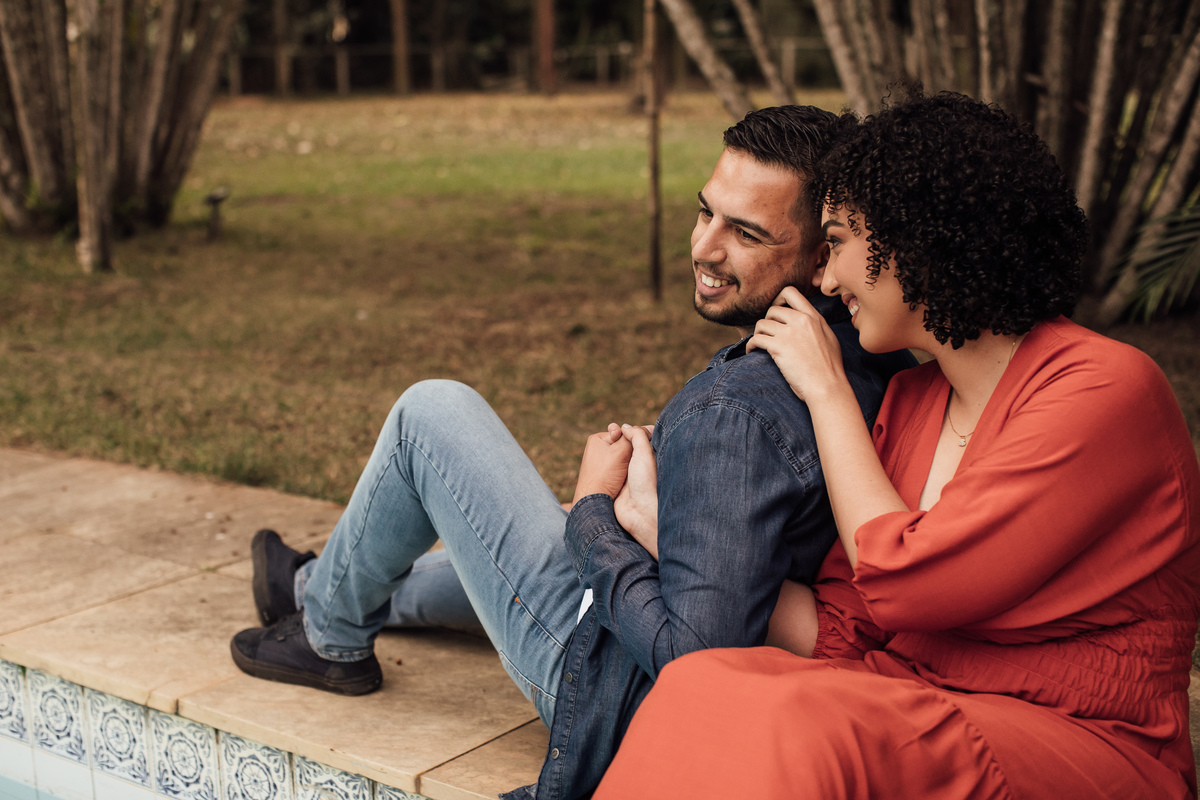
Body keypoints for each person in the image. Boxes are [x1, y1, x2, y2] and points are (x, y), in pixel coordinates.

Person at [227, 106, 915, 800]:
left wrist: (593, 517)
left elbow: (697, 662)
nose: (705, 248)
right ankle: (314, 586)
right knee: (515, 528)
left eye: (746, 233)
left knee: (430, 416)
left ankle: (330, 635)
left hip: (613, 696)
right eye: (706, 212)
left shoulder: (737, 414)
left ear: (823, 255)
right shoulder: (874, 349)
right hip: (701, 627)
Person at [592, 90, 1200, 800]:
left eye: (838, 242)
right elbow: (840, 632)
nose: (825, 279)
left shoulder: (1104, 390)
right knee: (704, 680)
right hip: (899, 701)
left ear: (915, 242)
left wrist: (827, 393)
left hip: (1074, 736)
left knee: (799, 720)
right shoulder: (913, 402)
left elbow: (910, 583)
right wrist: (670, 532)